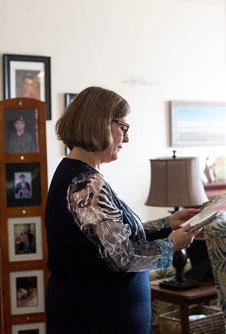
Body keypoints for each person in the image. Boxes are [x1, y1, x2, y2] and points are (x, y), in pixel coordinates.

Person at [45, 86, 201, 334]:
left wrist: (167, 223)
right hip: (97, 318)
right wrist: (172, 245)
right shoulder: (85, 184)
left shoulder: (80, 175)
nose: (126, 138)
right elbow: (123, 256)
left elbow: (111, 235)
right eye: (124, 127)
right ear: (101, 123)